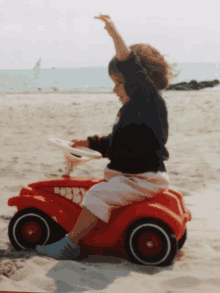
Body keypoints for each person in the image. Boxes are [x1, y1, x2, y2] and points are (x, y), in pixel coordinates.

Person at [36, 14, 177, 260]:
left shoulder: (148, 100)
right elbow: (117, 142)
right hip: (136, 175)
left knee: (98, 194)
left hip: (141, 179)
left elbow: (131, 66)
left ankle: (71, 244)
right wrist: (91, 143)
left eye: (119, 83)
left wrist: (114, 34)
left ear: (137, 82)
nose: (114, 90)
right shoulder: (133, 110)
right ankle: (96, 229)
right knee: (96, 184)